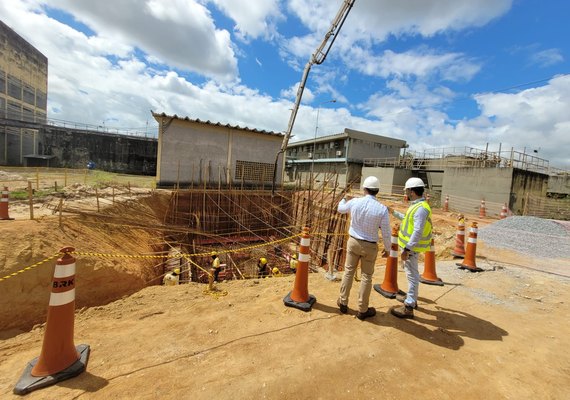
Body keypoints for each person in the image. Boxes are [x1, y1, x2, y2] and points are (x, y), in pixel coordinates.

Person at [337, 176, 391, 321]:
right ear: (377, 191)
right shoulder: (382, 209)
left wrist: (345, 198)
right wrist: (388, 249)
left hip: (354, 242)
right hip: (370, 246)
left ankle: (343, 302)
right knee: (366, 277)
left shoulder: (355, 202)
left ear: (364, 189)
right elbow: (386, 232)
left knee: (348, 271)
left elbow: (340, 209)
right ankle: (362, 309)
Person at [390, 177, 432, 319]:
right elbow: (408, 220)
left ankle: (409, 306)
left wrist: (407, 250)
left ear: (413, 192)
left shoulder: (420, 209)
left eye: (407, 191)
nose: (406, 193)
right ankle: (411, 298)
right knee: (411, 274)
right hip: (410, 247)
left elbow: (417, 231)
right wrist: (394, 212)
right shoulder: (417, 205)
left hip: (411, 249)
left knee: (412, 276)